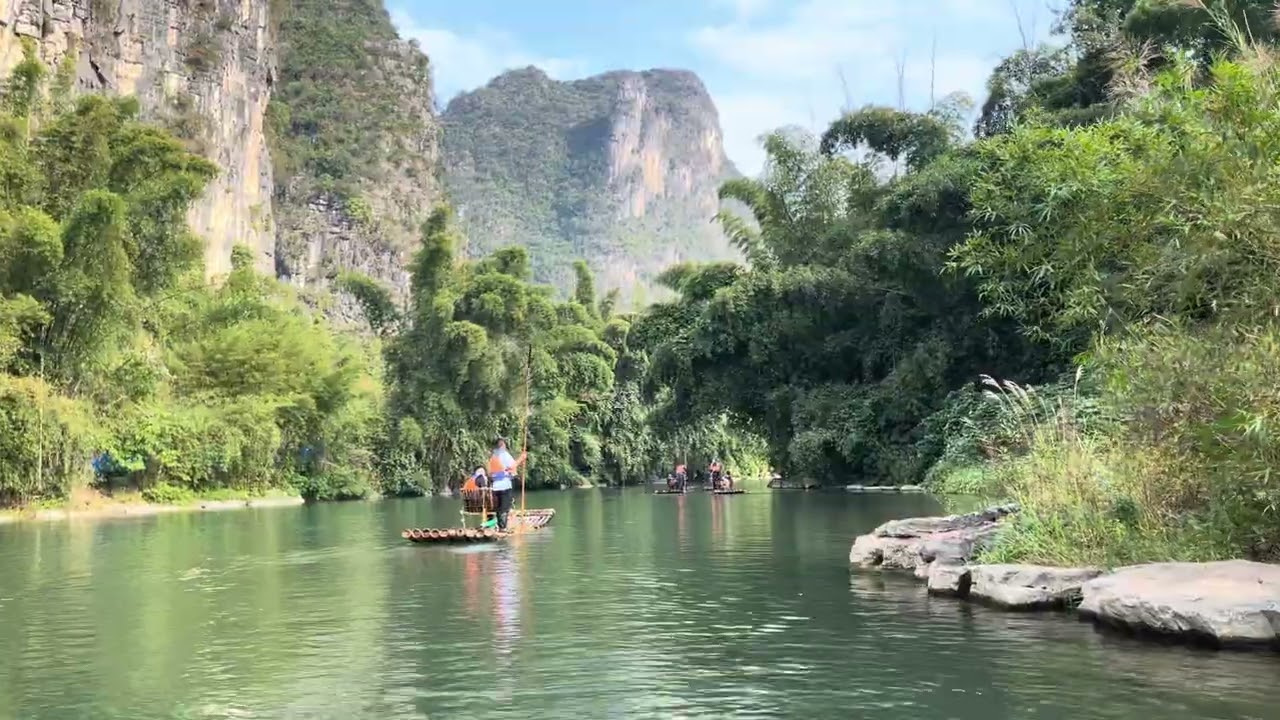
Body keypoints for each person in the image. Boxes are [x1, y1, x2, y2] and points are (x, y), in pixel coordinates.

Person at [487, 437, 526, 531]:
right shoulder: (504, 455)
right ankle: (502, 528)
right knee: (504, 508)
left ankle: (494, 526)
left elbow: (490, 473)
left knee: (498, 507)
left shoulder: (492, 457)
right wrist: (522, 458)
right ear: (502, 445)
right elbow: (512, 467)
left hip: (495, 486)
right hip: (505, 485)